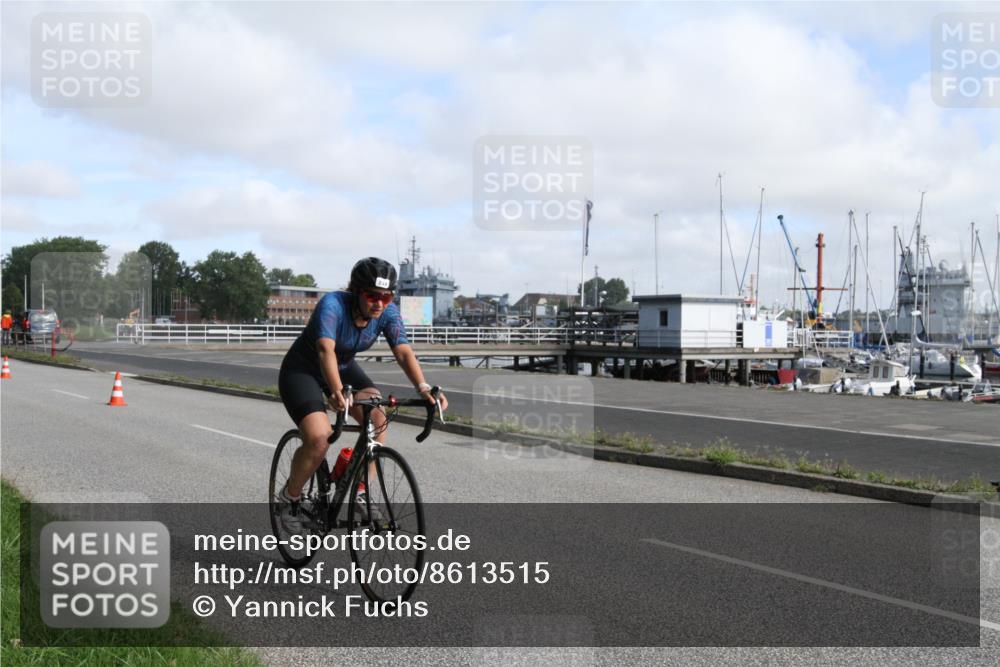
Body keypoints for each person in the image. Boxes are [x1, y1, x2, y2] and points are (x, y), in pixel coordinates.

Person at [276, 257, 447, 533]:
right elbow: (324, 351)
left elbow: (402, 351)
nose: (379, 303)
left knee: (378, 418)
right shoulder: (333, 305)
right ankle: (289, 497)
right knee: (320, 438)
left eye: (387, 296)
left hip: (344, 368)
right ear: (356, 291)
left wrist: (424, 388)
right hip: (304, 370)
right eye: (372, 295)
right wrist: (335, 391)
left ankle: (358, 489)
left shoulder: (388, 313)